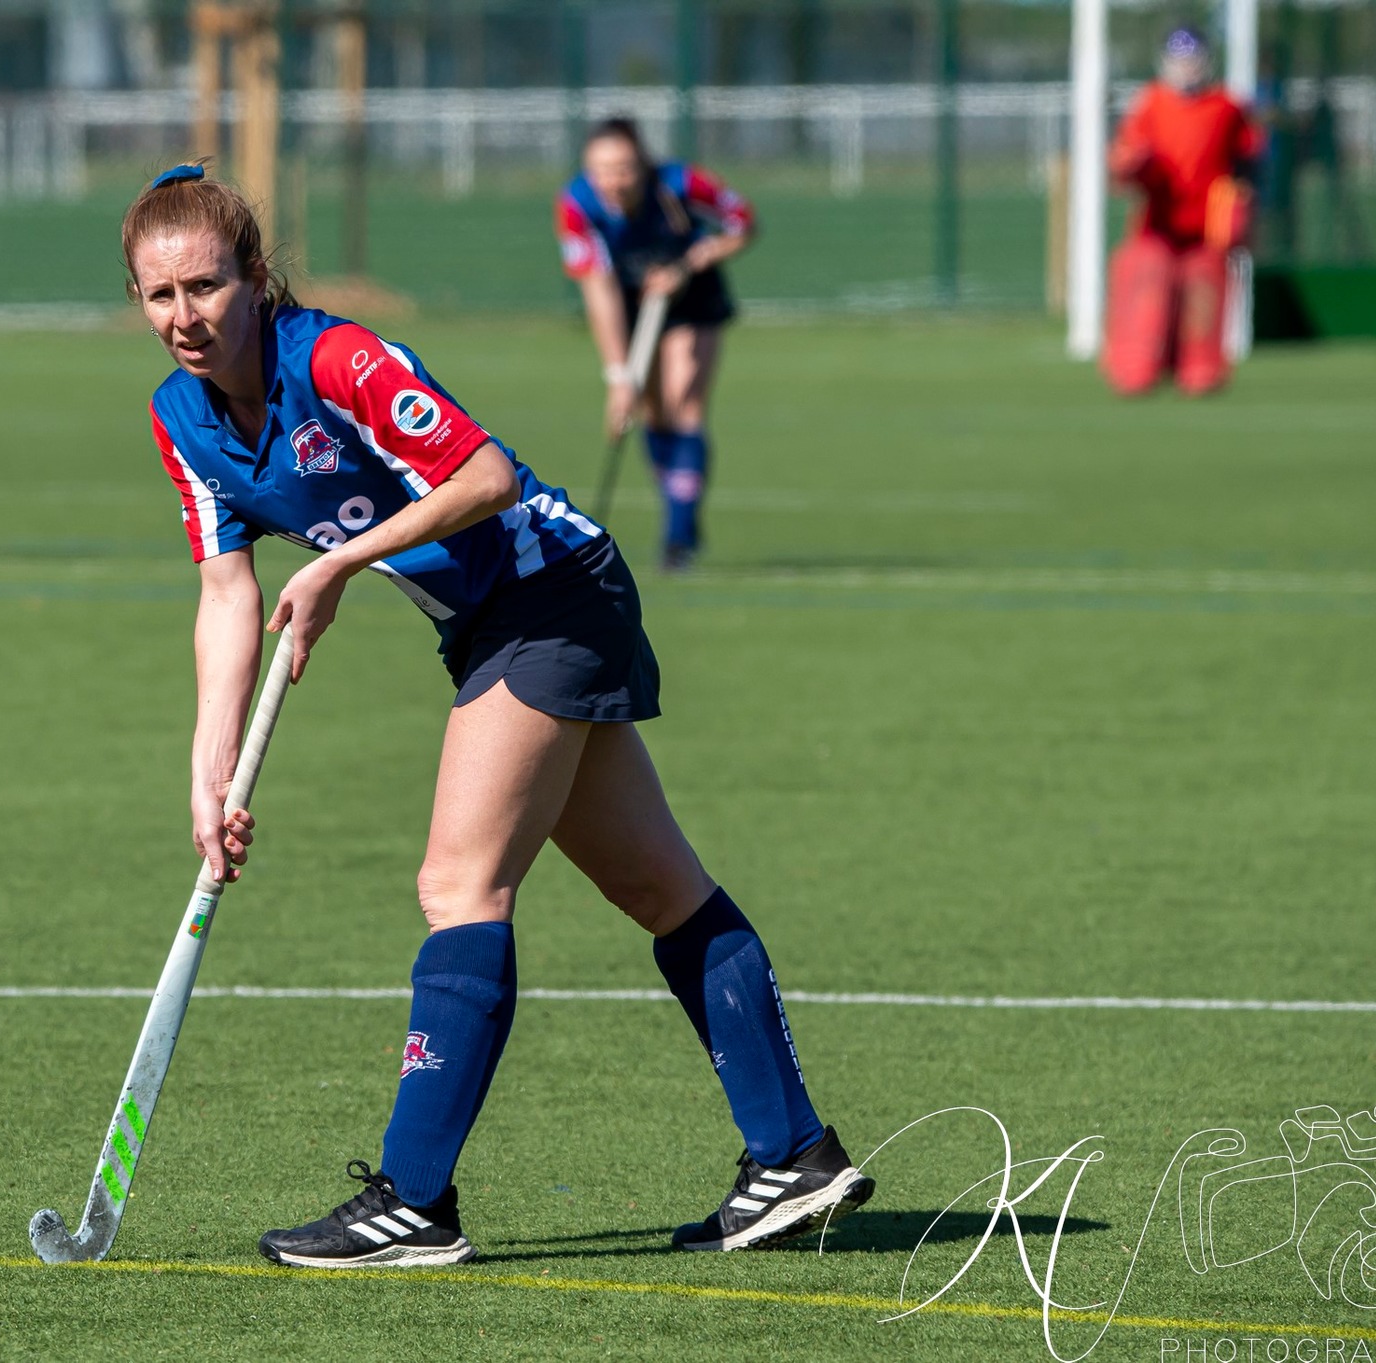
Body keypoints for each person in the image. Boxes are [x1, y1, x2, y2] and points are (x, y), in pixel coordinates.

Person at [123, 163, 870, 1270]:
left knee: (458, 885)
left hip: (549, 593)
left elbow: (485, 474)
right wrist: (210, 772)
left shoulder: (333, 357)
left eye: (206, 286)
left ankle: (414, 1203)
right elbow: (227, 594)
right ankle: (793, 1158)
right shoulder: (179, 416)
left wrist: (343, 561)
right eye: (158, 296)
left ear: (255, 276)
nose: (185, 317)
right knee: (657, 886)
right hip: (489, 624)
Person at [555, 118, 755, 570]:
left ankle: (678, 536)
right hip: (629, 301)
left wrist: (693, 260)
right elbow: (598, 290)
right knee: (653, 412)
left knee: (684, 402)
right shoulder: (576, 206)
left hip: (693, 295)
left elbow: (742, 223)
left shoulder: (683, 184)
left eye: (623, 168)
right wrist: (618, 378)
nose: (613, 181)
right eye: (602, 170)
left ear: (642, 164)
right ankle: (681, 500)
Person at [1104, 28, 1262, 397]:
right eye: (1179, 61)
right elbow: (1128, 155)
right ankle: (1135, 368)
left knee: (1203, 298)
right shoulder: (1151, 103)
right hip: (1157, 226)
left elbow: (1250, 158)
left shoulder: (1226, 106)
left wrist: (1243, 200)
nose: (1186, 69)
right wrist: (1130, 166)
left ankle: (1200, 371)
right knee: (1146, 291)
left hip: (1207, 229)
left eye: (1193, 61)